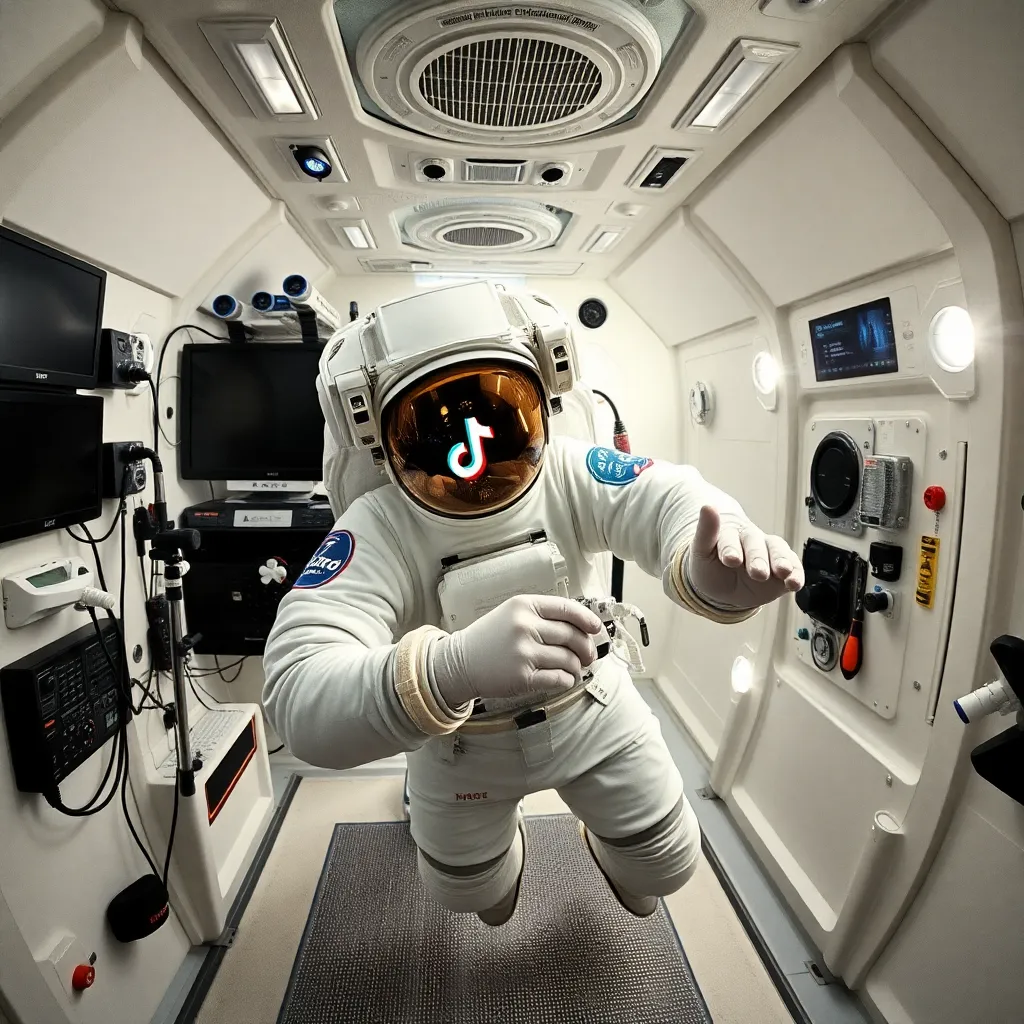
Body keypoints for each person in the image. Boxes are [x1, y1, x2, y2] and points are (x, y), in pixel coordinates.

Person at [262, 281, 804, 925]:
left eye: (494, 407)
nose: (473, 454)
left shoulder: (570, 470)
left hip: (592, 705)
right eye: (432, 421)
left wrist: (706, 567)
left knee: (663, 870)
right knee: (477, 902)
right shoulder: (379, 526)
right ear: (379, 439)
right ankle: (493, 855)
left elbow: (668, 498)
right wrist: (449, 672)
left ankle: (608, 846)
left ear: (543, 396)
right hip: (459, 742)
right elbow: (296, 695)